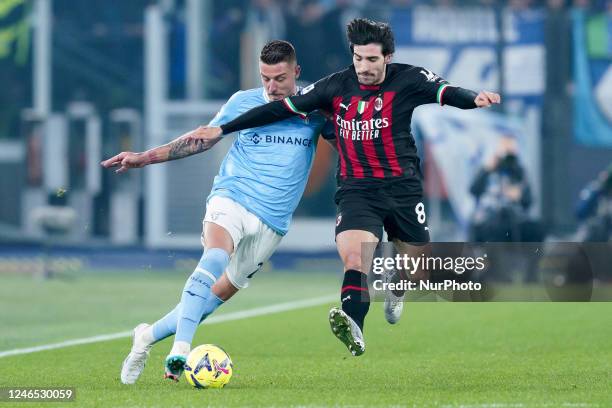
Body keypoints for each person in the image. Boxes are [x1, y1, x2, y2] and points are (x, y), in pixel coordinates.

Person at [187, 18, 501, 357]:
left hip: (403, 189)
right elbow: (277, 110)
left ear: (388, 57)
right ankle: (355, 328)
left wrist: (474, 98)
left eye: (372, 60)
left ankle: (399, 284)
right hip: (357, 191)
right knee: (355, 259)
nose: (364, 67)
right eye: (358, 58)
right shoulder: (334, 86)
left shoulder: (410, 79)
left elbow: (447, 92)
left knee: (416, 263)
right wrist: (224, 129)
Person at [101, 40, 332, 383]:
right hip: (232, 197)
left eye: (279, 79)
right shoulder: (243, 102)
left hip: (273, 221)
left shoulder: (314, 109)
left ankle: (146, 337)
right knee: (214, 256)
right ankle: (180, 350)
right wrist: (143, 158)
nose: (271, 87)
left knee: (212, 299)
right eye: (265, 78)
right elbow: (201, 140)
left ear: (296, 73)